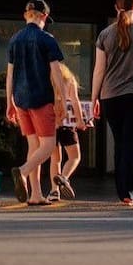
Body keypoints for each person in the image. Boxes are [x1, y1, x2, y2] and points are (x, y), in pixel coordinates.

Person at [91, 0, 133, 207]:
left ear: (116, 8)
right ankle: (129, 193)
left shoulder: (104, 35)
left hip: (111, 95)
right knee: (132, 143)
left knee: (120, 143)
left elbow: (99, 70)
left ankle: (122, 191)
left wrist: (94, 99)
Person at [5, 0, 69, 206]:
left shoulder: (14, 40)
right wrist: (62, 98)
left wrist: (9, 102)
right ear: (43, 17)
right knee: (48, 145)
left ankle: (36, 194)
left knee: (34, 145)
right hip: (41, 97)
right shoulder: (46, 39)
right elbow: (56, 71)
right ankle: (22, 172)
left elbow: (10, 74)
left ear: (26, 15)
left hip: (20, 99)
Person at [47, 63, 89, 202]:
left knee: (55, 159)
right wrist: (80, 120)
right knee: (75, 156)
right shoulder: (69, 80)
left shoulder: (48, 82)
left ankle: (54, 191)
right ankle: (64, 177)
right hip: (66, 124)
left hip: (52, 124)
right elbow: (75, 101)